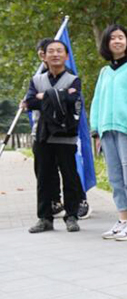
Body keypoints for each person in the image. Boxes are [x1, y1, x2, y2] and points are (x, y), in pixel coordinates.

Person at [91, 25, 127, 240]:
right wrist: (96, 129)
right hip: (107, 130)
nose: (117, 41)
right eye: (112, 38)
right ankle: (122, 220)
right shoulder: (104, 72)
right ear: (106, 43)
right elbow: (97, 100)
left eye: (121, 37)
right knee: (115, 177)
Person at [26, 40, 84, 233]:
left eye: (59, 51)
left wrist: (44, 96)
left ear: (66, 56)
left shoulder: (73, 79)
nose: (55, 54)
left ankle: (72, 216)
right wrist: (59, 95)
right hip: (42, 135)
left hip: (65, 134)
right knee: (44, 178)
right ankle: (44, 218)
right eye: (51, 51)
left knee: (69, 176)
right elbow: (30, 102)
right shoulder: (36, 80)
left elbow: (73, 100)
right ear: (44, 56)